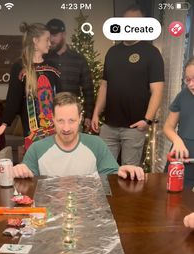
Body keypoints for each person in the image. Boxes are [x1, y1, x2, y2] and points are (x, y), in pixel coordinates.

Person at [91, 4, 164, 166]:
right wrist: (96, 113)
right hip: (109, 126)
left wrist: (147, 120)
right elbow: (104, 85)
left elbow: (157, 90)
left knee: (129, 174)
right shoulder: (112, 52)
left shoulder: (151, 53)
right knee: (104, 170)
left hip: (134, 127)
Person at [13, 92, 144, 180]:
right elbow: (27, 181)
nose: (66, 128)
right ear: (52, 119)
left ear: (80, 118)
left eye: (72, 121)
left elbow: (112, 176)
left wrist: (123, 170)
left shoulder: (96, 144)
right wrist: (20, 171)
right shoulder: (37, 149)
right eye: (60, 121)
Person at [0, 22, 60, 149]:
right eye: (47, 40)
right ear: (35, 41)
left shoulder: (53, 66)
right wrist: (4, 124)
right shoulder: (19, 67)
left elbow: (60, 95)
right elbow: (13, 98)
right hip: (32, 132)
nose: (50, 44)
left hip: (56, 129)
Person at [45, 18, 94, 132]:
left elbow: (88, 90)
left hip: (73, 117)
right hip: (48, 118)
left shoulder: (79, 59)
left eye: (55, 35)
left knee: (74, 149)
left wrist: (88, 116)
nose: (51, 39)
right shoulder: (44, 59)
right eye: (49, 36)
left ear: (64, 34)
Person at [164, 56, 194, 181]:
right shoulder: (183, 95)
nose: (191, 84)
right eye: (188, 80)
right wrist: (177, 140)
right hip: (180, 163)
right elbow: (168, 127)